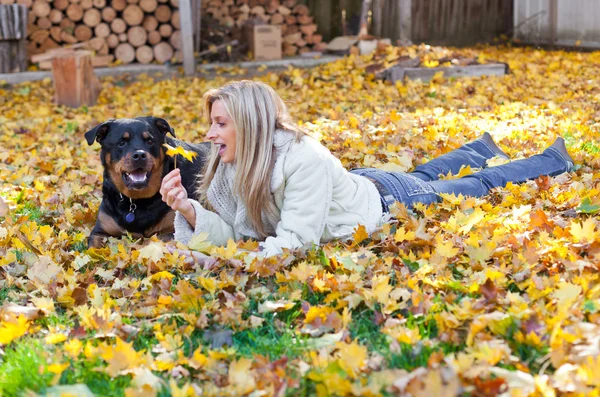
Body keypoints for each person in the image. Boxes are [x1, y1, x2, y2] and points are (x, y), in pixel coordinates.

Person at [160, 80, 574, 257]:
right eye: (212, 122)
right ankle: (481, 146)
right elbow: (241, 232)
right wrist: (190, 212)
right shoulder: (234, 163)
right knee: (426, 174)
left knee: (476, 185)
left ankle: (554, 159)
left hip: (385, 200)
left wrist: (227, 263)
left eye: (220, 123)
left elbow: (294, 244)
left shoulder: (303, 159)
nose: (210, 134)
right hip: (361, 183)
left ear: (249, 126)